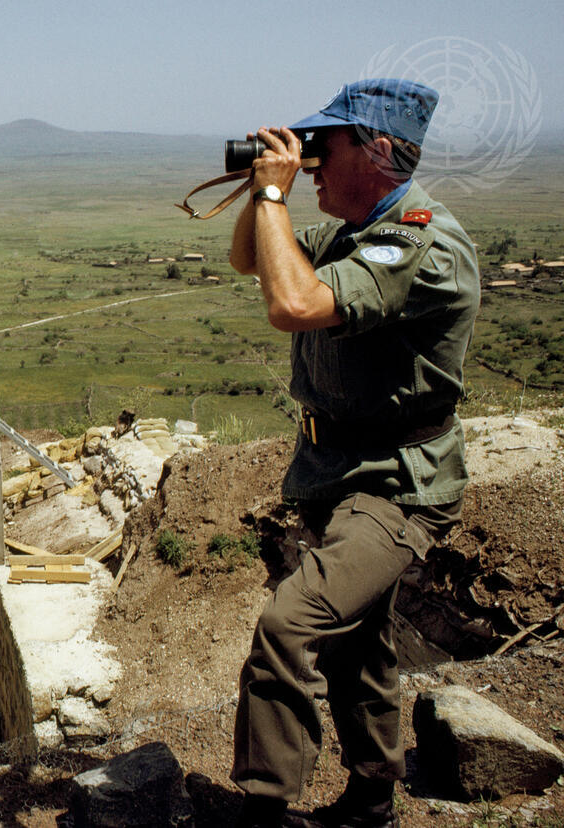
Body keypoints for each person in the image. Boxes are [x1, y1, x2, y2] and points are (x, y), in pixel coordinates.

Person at [226, 79, 479, 828]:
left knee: (288, 625)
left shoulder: (417, 239)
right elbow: (252, 262)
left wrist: (276, 198)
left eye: (323, 148)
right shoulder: (351, 236)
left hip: (398, 486)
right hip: (338, 477)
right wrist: (259, 194)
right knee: (357, 649)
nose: (310, 165)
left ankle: (264, 809)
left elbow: (292, 306)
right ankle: (372, 802)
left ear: (377, 151)